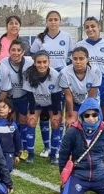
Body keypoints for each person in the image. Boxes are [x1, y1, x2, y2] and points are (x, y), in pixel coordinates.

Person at [30, 11, 75, 158]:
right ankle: (46, 147)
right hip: (42, 80)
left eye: (56, 19)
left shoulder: (67, 37)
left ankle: (57, 148)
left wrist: (64, 73)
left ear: (60, 21)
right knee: (43, 115)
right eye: (50, 20)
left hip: (58, 81)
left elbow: (71, 58)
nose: (53, 22)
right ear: (46, 22)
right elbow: (32, 57)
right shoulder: (40, 38)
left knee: (57, 114)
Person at [22, 50, 62, 164]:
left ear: (49, 62)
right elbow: (29, 95)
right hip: (36, 103)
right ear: (34, 63)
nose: (42, 65)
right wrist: (31, 112)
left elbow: (56, 96)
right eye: (39, 62)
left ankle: (54, 154)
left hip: (52, 103)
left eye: (45, 62)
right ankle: (30, 154)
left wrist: (55, 113)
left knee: (55, 122)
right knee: (30, 121)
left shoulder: (55, 75)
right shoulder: (28, 74)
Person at [76, 16, 104, 123]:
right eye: (87, 27)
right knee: (87, 118)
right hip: (87, 86)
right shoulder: (80, 45)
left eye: (93, 26)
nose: (90, 29)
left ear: (99, 27)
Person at [0, 39, 34, 159]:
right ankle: (12, 148)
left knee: (24, 122)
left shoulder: (30, 62)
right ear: (9, 51)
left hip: (25, 97)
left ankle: (23, 149)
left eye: (19, 50)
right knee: (12, 122)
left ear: (23, 51)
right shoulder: (3, 63)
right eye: (13, 50)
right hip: (10, 98)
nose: (16, 52)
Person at [59, 46, 102, 127]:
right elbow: (68, 97)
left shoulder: (95, 72)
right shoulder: (64, 73)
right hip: (74, 102)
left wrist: (85, 113)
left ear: (87, 59)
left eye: (81, 59)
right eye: (75, 59)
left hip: (91, 100)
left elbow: (90, 97)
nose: (78, 62)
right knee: (71, 125)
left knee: (90, 123)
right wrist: (71, 116)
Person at [0, 99, 21, 172]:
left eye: (4, 107)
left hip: (8, 153)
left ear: (10, 110)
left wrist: (16, 155)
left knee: (7, 169)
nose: (1, 109)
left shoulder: (13, 125)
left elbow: (17, 140)